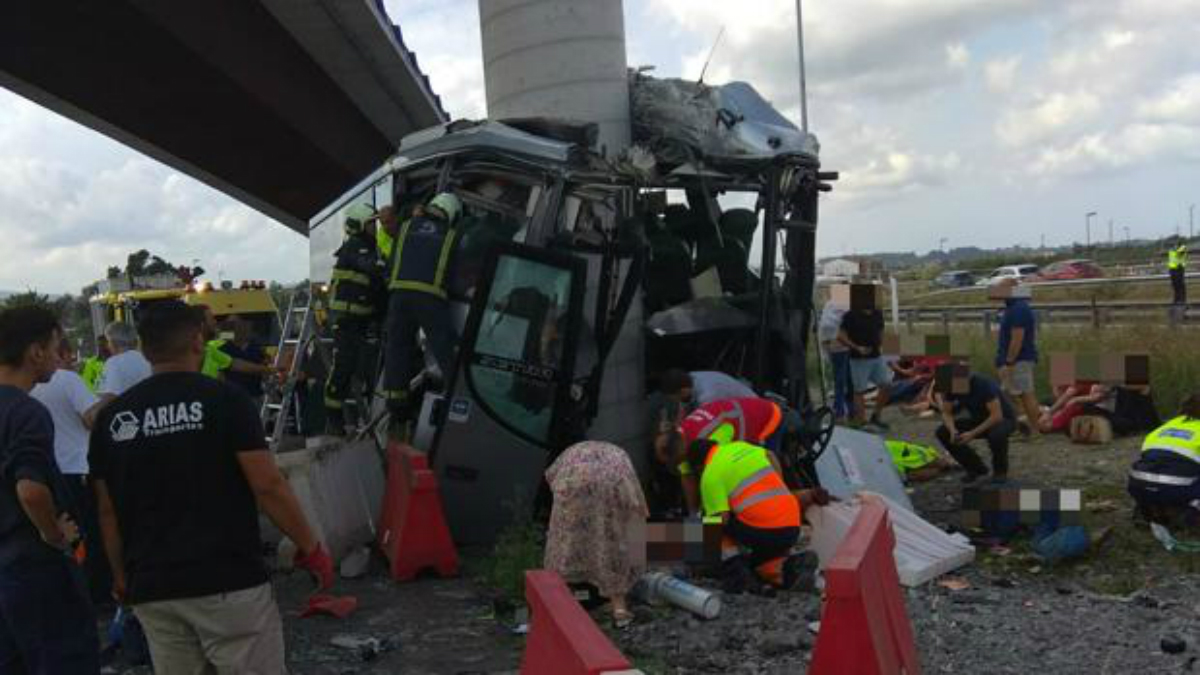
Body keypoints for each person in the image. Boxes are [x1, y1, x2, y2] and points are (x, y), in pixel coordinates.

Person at [89, 301, 334, 673]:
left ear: (144, 348)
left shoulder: (113, 419)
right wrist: (311, 548)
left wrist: (122, 578)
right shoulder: (224, 401)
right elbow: (268, 486)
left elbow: (107, 511)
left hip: (154, 589)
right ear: (196, 343)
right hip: (227, 583)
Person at [0, 304, 100, 673]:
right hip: (33, 567)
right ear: (35, 351)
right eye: (57, 348)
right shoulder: (25, 412)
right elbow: (30, 490)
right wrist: (55, 534)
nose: (60, 361)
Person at [685, 438, 827, 593]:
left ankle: (736, 573)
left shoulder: (710, 474)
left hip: (766, 529)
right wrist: (781, 483)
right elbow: (771, 454)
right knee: (759, 564)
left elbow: (721, 519)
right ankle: (790, 570)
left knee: (713, 524)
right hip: (792, 526)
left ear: (698, 466)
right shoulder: (740, 447)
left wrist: (693, 534)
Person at [30, 338, 112, 604]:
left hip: (44, 473)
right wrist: (107, 402)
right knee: (90, 534)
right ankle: (98, 593)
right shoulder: (67, 380)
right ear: (62, 353)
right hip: (79, 467)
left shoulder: (25, 386)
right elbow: (91, 419)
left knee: (61, 537)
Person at [543, 441, 648, 629]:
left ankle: (562, 605)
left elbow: (551, 478)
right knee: (612, 544)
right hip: (610, 484)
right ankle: (619, 611)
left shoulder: (571, 453)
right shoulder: (621, 457)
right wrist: (637, 546)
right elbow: (636, 504)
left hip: (571, 483)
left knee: (566, 540)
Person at [382, 193, 463, 424]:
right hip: (430, 298)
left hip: (399, 297)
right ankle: (458, 398)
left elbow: (392, 262)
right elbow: (456, 273)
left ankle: (396, 408)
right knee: (445, 347)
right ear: (452, 214)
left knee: (397, 349)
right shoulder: (450, 236)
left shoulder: (406, 227)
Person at [657, 396, 785, 514]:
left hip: (767, 419)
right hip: (745, 416)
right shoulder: (681, 437)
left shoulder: (710, 440)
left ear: (680, 454)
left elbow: (721, 517)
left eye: (674, 463)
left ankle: (779, 503)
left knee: (765, 475)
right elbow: (686, 475)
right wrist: (693, 513)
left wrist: (702, 516)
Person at [325, 203, 389, 435]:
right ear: (359, 225)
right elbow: (371, 268)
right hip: (345, 321)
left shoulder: (371, 247)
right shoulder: (354, 247)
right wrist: (387, 265)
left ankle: (366, 420)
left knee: (366, 369)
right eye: (372, 223)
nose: (376, 226)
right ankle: (334, 419)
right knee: (343, 368)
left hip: (362, 322)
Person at [934, 366, 1017, 484]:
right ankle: (976, 468)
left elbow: (997, 416)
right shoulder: (953, 387)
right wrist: (953, 431)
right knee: (942, 432)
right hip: (979, 419)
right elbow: (947, 412)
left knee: (996, 436)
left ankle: (1000, 472)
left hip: (1004, 419)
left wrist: (972, 434)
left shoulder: (983, 384)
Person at [1127, 392, 1200, 523]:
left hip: (1137, 484)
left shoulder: (1169, 425)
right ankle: (1189, 513)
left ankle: (1150, 506)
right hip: (1176, 488)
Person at [993, 279, 1040, 438]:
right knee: (1012, 394)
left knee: (1026, 394)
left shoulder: (1019, 308)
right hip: (1013, 359)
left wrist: (1010, 362)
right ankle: (1023, 427)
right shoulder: (1011, 308)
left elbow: (1017, 338)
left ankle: (1034, 431)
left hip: (1019, 360)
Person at [838, 295, 890, 430]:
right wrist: (856, 347)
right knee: (859, 390)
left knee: (886, 384)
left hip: (877, 357)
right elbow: (840, 336)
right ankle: (861, 421)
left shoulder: (878, 313)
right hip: (858, 359)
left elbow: (881, 331)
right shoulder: (851, 315)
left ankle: (876, 416)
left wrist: (882, 345)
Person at [95, 321, 151, 405]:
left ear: (113, 342)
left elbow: (110, 395)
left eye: (108, 341)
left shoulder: (114, 362)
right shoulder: (148, 358)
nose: (107, 346)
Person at [220, 317, 268, 411]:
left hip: (255, 395)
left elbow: (265, 367)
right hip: (233, 398)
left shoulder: (257, 348)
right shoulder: (223, 349)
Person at [817, 301, 854, 423]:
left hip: (836, 347)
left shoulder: (829, 305)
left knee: (842, 380)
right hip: (842, 347)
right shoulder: (844, 305)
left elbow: (826, 327)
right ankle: (842, 411)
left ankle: (843, 410)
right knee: (843, 380)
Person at [1168, 241, 1188, 306]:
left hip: (1179, 268)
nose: (1174, 245)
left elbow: (1179, 253)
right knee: (1175, 285)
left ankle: (1182, 300)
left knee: (1180, 285)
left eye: (1176, 244)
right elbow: (1172, 258)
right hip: (1172, 270)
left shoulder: (1183, 248)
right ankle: (1176, 300)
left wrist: (1176, 248)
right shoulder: (1172, 250)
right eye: (1174, 244)